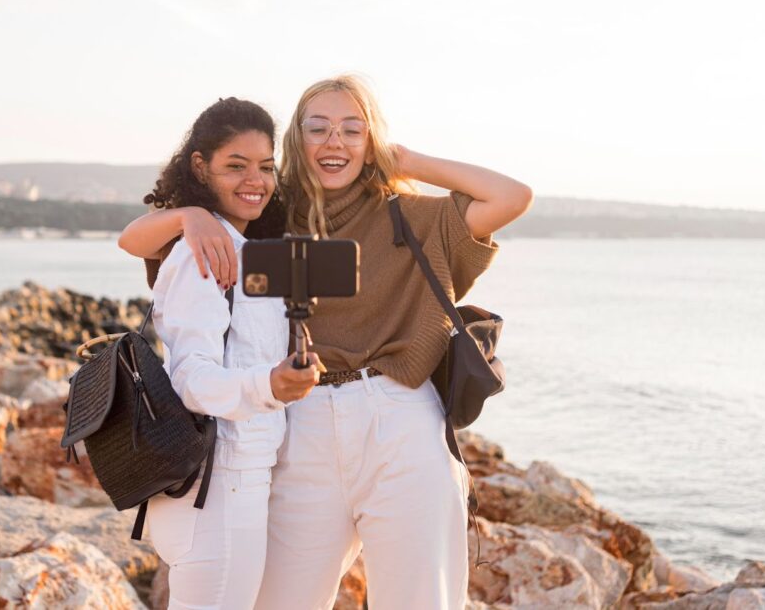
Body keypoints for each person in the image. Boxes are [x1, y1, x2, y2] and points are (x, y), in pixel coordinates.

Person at [120, 76, 532, 609]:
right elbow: (134, 240)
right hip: (299, 423)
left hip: (400, 421)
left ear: (372, 141)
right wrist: (190, 215)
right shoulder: (270, 213)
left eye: (352, 130)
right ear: (297, 140)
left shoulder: (411, 220)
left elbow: (512, 196)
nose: (334, 141)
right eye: (318, 128)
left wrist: (401, 159)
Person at [124, 97, 321, 610]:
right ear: (200, 167)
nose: (254, 180)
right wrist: (269, 385)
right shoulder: (206, 250)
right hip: (220, 485)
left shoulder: (240, 245)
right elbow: (190, 375)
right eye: (235, 166)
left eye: (265, 167)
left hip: (228, 482)